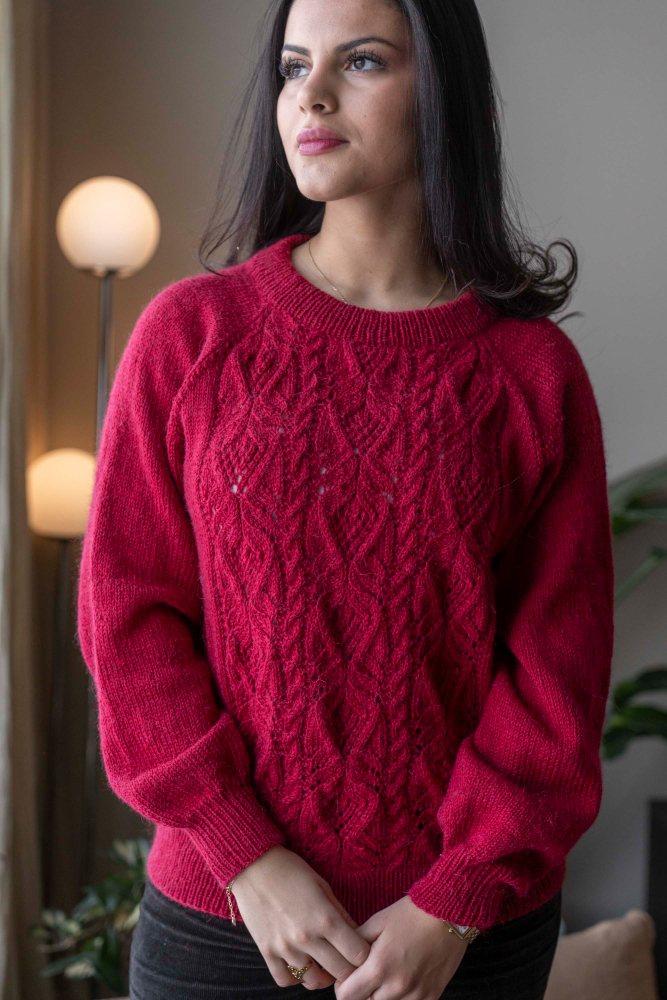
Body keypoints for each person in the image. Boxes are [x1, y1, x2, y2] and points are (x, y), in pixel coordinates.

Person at [76, 0, 615, 998]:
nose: (311, 96)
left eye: (360, 61)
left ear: (440, 91)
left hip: (464, 939)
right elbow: (131, 620)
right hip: (225, 926)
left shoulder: (529, 375)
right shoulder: (191, 338)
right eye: (293, 66)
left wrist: (451, 900)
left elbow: (556, 677)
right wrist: (246, 856)